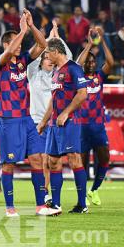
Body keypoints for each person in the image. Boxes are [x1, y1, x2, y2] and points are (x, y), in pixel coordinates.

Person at [0, 9, 59, 217]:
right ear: (6, 45)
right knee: (9, 163)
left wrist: (31, 26)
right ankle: (10, 207)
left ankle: (40, 206)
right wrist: (21, 31)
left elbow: (42, 45)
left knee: (38, 159)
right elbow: (10, 50)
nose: (19, 46)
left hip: (26, 118)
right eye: (15, 42)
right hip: (8, 120)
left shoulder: (23, 60)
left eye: (20, 43)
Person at [38, 37, 89, 214]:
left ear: (55, 51)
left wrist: (66, 112)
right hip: (54, 124)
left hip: (71, 122)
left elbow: (82, 94)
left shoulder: (74, 69)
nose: (45, 56)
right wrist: (44, 121)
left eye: (47, 53)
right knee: (53, 161)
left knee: (74, 158)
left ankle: (82, 204)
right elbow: (54, 98)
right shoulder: (56, 71)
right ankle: (57, 204)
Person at [27, 20, 71, 206]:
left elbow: (67, 55)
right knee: (42, 159)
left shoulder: (59, 73)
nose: (49, 60)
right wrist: (48, 39)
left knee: (53, 161)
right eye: (46, 58)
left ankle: (50, 195)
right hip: (38, 122)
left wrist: (58, 37)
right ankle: (44, 194)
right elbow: (35, 55)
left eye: (50, 58)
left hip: (55, 123)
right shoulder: (32, 73)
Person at [76, 27, 114, 206]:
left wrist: (103, 39)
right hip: (82, 126)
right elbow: (76, 64)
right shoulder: (78, 77)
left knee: (105, 159)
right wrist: (89, 45)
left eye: (93, 61)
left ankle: (94, 190)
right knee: (82, 164)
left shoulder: (99, 76)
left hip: (98, 126)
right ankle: (82, 195)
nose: (91, 63)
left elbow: (110, 62)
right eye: (88, 61)